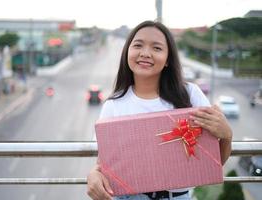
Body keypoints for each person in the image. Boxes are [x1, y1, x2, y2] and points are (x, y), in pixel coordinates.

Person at [87, 20, 232, 200]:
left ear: (167, 60)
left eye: (157, 48)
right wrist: (94, 173)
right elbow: (104, 163)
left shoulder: (190, 95)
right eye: (138, 45)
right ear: (127, 53)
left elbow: (212, 163)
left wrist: (227, 135)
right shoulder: (114, 105)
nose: (145, 53)